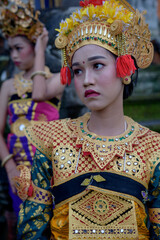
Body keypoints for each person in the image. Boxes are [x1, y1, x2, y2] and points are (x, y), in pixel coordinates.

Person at [15, 0, 160, 239]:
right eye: (78, 70)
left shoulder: (153, 149)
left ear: (126, 68)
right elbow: (33, 230)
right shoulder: (52, 142)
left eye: (98, 65)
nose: (86, 80)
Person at [0, 0, 64, 236]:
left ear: (34, 45)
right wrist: (10, 168)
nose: (14, 55)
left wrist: (40, 50)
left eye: (20, 48)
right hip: (18, 171)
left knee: (54, 227)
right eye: (11, 50)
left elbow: (38, 94)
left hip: (51, 169)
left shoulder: (57, 79)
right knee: (26, 228)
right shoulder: (7, 86)